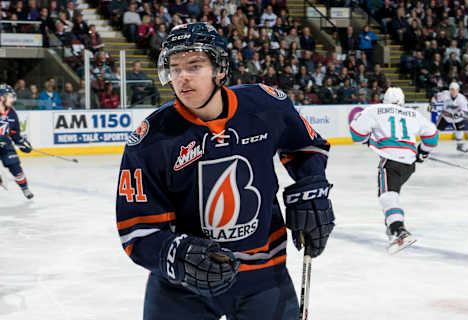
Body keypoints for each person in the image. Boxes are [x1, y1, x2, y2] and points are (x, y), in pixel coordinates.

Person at [116, 22, 335, 320]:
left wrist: (312, 189)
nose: (183, 77)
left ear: (219, 69)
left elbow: (306, 147)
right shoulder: (151, 139)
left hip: (263, 276)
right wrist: (178, 255)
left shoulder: (265, 105)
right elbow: (138, 231)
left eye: (194, 65)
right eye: (175, 67)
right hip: (182, 287)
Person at [349, 87, 439, 254]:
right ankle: (392, 225)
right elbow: (433, 136)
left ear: (385, 99)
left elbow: (356, 134)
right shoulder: (413, 113)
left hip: (390, 160)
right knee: (392, 194)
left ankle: (398, 230)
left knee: (387, 196)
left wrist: (368, 138)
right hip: (409, 164)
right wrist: (423, 152)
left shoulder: (375, 109)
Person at [0, 85, 34, 199]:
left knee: (15, 166)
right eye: (10, 97)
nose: (12, 99)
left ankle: (25, 188)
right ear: (1, 98)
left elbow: (15, 134)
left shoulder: (12, 114)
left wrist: (23, 143)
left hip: (5, 144)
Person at [430, 82, 468, 152]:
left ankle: (460, 145)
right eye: (452, 90)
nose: (454, 92)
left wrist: (457, 115)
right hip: (445, 117)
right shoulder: (445, 94)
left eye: (456, 90)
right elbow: (434, 98)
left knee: (460, 131)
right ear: (449, 90)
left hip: (457, 119)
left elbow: (465, 111)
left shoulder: (462, 99)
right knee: (437, 130)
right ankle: (430, 144)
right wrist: (432, 105)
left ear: (458, 90)